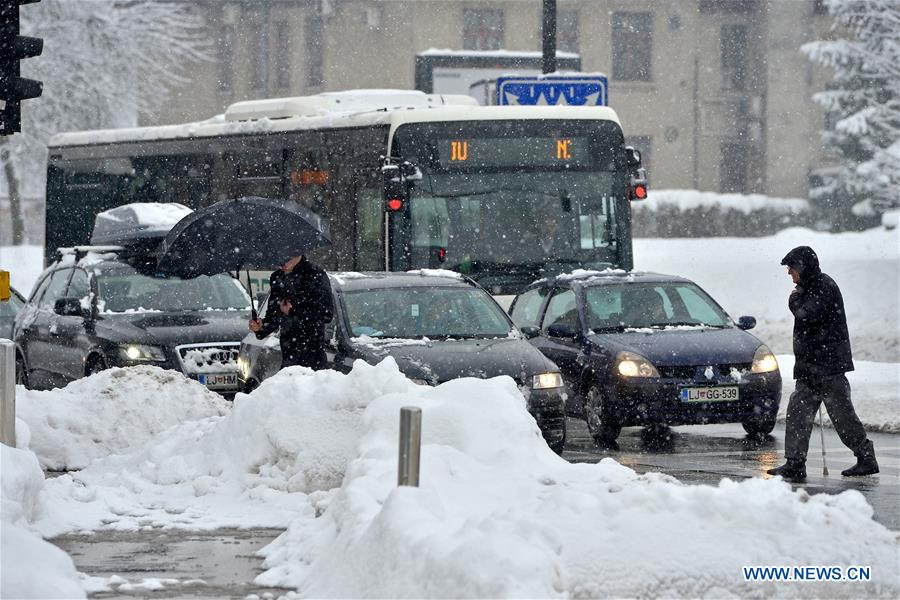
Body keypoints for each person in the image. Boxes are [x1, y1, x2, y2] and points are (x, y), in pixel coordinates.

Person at [767, 246, 878, 482]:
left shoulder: (823, 286)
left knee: (842, 416)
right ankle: (795, 463)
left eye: (791, 267)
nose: (789, 273)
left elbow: (808, 314)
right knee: (797, 413)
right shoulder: (809, 287)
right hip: (810, 369)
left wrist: (795, 300)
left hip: (828, 368)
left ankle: (866, 457)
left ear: (803, 267)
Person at [248, 254, 333, 370]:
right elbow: (274, 315)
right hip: (288, 356)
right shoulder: (278, 277)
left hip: (313, 357)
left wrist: (294, 310)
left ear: (297, 254)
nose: (282, 265)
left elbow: (327, 314)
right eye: (278, 261)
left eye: (285, 259)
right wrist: (261, 327)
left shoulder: (315, 275)